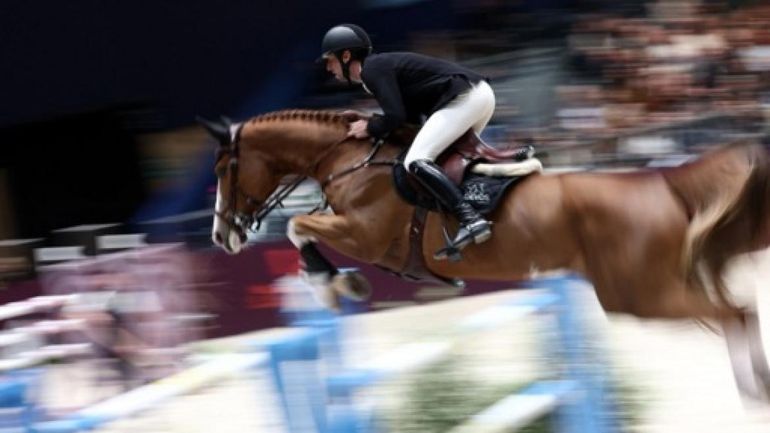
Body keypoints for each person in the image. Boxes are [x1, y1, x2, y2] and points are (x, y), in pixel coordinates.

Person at [320, 23, 495, 256]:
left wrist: (370, 127)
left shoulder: (371, 70)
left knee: (415, 160)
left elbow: (395, 116)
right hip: (477, 96)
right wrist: (370, 120)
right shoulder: (377, 70)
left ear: (346, 56)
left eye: (330, 60)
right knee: (446, 161)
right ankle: (480, 208)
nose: (328, 68)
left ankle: (470, 219)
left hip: (465, 98)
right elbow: (409, 120)